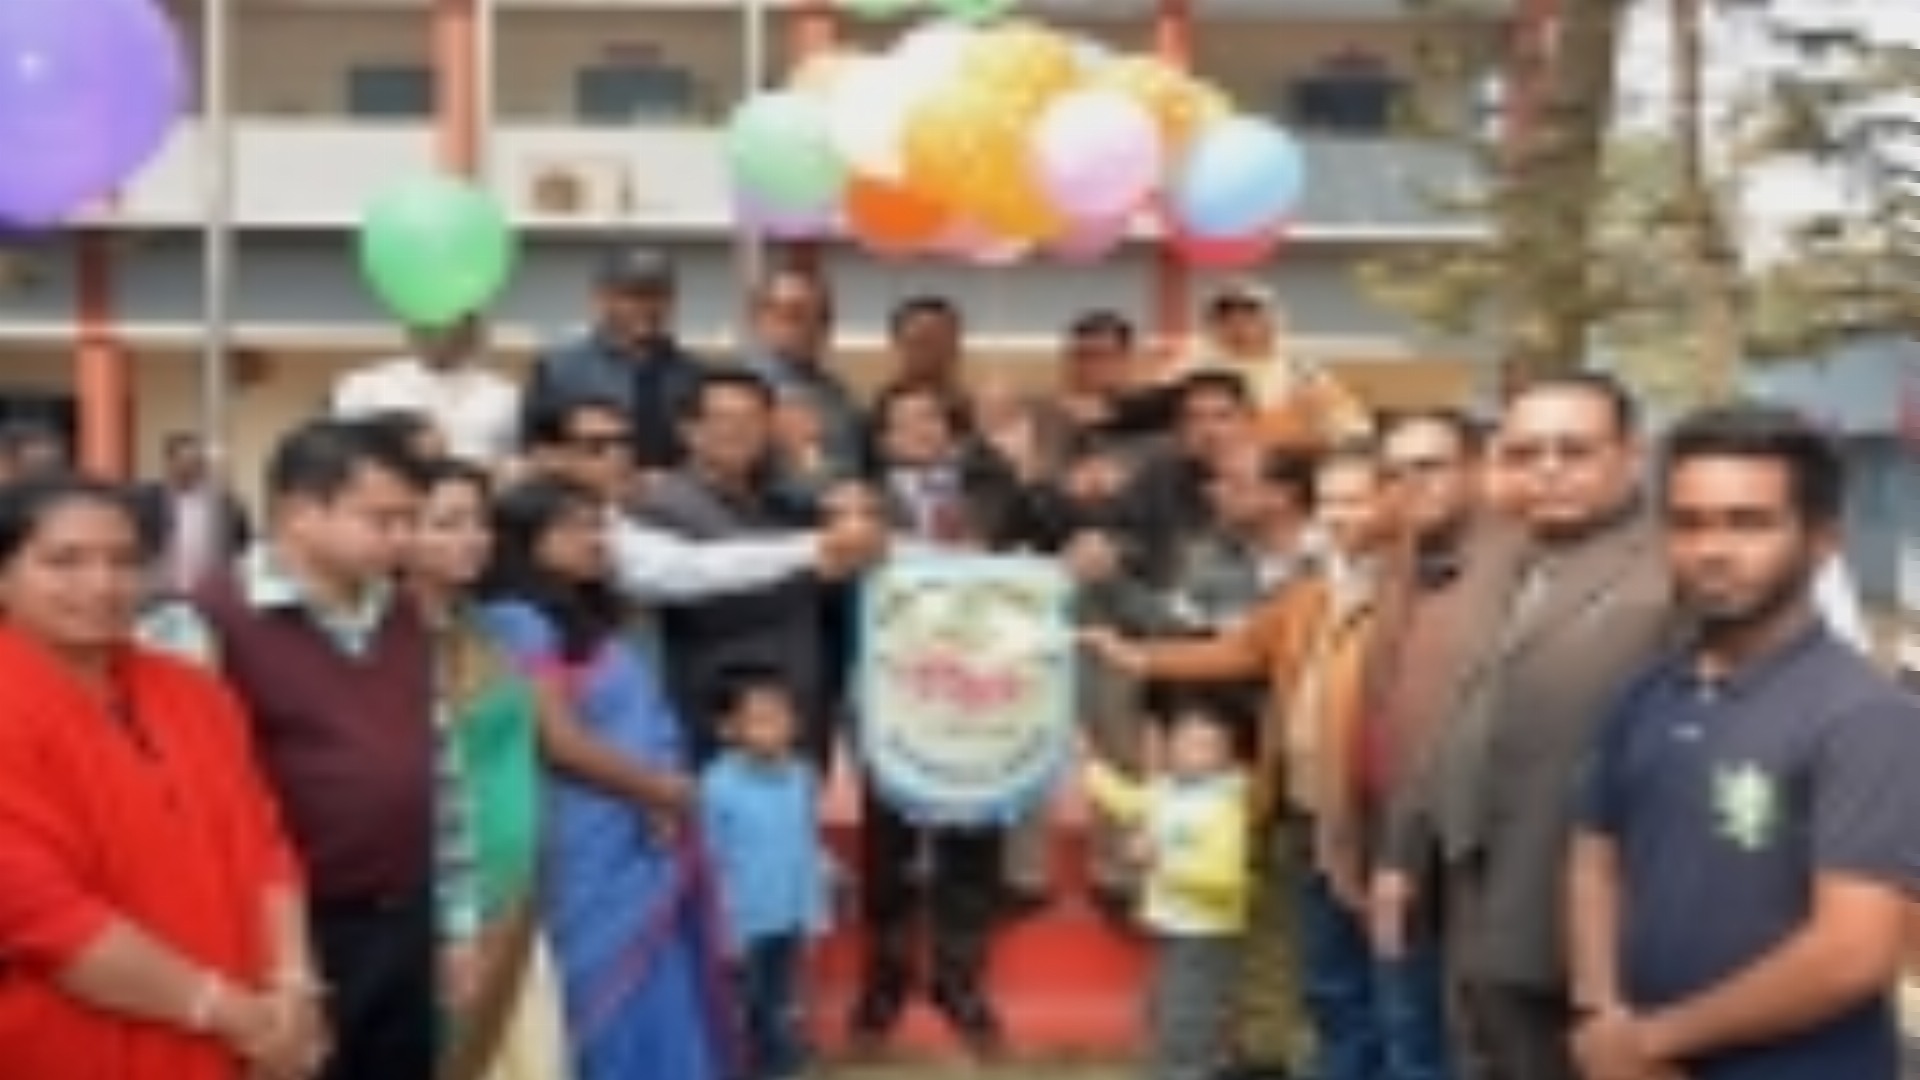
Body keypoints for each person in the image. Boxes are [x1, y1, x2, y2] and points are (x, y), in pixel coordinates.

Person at [1568, 405, 1920, 1080]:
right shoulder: (1644, 694)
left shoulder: (1866, 716)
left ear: (1822, 541)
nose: (1711, 550)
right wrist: (1600, 1010)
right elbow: (1594, 858)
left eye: (1748, 523)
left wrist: (1655, 1041)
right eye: (1688, 522)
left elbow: (1854, 952)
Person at [0, 476, 324, 1080]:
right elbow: (44, 917)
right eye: (64, 562)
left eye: (124, 561)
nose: (102, 584)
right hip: (74, 1049)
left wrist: (295, 986)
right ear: (4, 576)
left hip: (238, 1041)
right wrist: (231, 1013)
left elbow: (267, 847)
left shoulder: (196, 693)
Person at [150, 418, 438, 1080]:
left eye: (411, 519)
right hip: (281, 937)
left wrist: (455, 921)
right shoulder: (199, 621)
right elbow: (184, 803)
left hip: (401, 917)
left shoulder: (403, 612)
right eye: (382, 519)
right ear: (299, 514)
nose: (404, 538)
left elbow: (440, 767)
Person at [1419, 374, 1677, 1080]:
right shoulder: (1497, 559)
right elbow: (1457, 712)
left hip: (1591, 922)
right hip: (1475, 891)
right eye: (1527, 452)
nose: (1548, 470)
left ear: (1631, 455)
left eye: (1574, 450)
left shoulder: (1670, 572)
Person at [480, 476, 728, 1080]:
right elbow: (558, 741)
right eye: (572, 526)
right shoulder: (516, 619)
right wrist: (658, 790)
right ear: (525, 539)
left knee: (656, 976)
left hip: (640, 819)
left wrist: (662, 789)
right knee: (600, 982)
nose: (594, 538)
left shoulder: (593, 614)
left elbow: (638, 715)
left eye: (598, 524)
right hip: (585, 828)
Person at [407, 460, 569, 1080]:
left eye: (478, 522)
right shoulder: (385, 646)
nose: (472, 538)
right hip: (445, 898)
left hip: (517, 882)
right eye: (446, 523)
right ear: (400, 533)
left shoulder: (491, 628)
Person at [520, 396, 885, 606]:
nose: (618, 455)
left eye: (624, 442)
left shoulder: (616, 514)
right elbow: (691, 568)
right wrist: (818, 545)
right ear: (548, 456)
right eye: (596, 446)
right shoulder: (524, 520)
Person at [639, 370, 830, 764]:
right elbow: (702, 578)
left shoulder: (784, 503)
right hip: (724, 725)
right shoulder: (662, 504)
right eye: (724, 419)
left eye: (753, 418)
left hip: (797, 718)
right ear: (689, 431)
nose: (740, 431)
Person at [1086, 700, 1253, 1080]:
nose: (1190, 754)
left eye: (1205, 746)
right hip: (1172, 927)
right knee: (1165, 1006)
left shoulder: (1222, 807)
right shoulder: (1168, 790)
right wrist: (1089, 768)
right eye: (1183, 742)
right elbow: (1129, 803)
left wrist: (1160, 862)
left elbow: (1225, 880)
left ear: (1227, 757)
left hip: (1204, 935)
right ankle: (1184, 1065)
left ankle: (1192, 1068)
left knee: (1188, 1015)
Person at [698, 667, 832, 1080]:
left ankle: (779, 1060)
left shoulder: (803, 777)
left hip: (787, 920)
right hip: (742, 928)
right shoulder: (715, 786)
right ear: (727, 729)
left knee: (782, 1001)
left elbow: (807, 847)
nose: (775, 728)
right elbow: (709, 863)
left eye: (782, 716)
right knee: (740, 1007)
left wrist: (813, 914)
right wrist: (724, 931)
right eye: (760, 719)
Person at [522, 246, 704, 471]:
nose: (648, 307)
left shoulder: (692, 372)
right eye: (634, 296)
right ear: (602, 298)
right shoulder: (559, 370)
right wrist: (586, 470)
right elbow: (535, 451)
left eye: (660, 295)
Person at [1173, 281, 1371, 451]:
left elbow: (1351, 424)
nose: (1237, 321)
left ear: (1272, 319)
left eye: (1250, 313)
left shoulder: (1300, 369)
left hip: (1286, 462)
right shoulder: (1193, 368)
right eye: (1226, 315)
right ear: (1212, 323)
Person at [333, 315, 521, 464]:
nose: (442, 337)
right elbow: (340, 454)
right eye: (430, 327)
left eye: (454, 325)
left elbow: (514, 460)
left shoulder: (505, 395)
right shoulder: (367, 385)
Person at [739, 266, 862, 486]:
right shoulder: (736, 391)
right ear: (757, 320)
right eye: (790, 313)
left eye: (819, 316)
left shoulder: (839, 394)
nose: (806, 325)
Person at [131, 432, 252, 597]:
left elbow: (242, 545)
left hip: (210, 594)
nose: (191, 467)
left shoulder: (224, 503)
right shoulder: (148, 500)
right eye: (185, 461)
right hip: (161, 592)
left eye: (197, 462)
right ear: (169, 462)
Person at [882, 295, 969, 401]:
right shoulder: (878, 409)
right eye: (923, 342)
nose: (934, 354)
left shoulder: (974, 408)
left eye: (943, 343)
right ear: (898, 343)